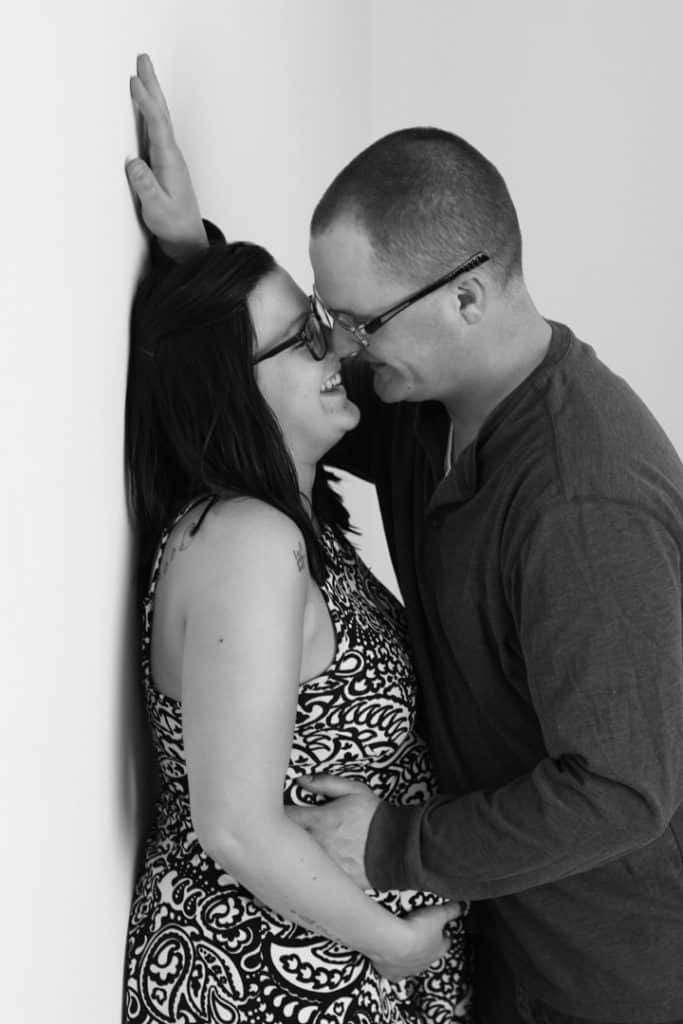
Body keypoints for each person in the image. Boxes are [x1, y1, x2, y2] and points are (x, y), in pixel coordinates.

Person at [137, 58, 683, 1024]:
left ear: (465, 300)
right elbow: (265, 402)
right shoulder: (423, 404)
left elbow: (624, 792)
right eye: (323, 318)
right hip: (496, 945)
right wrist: (195, 256)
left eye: (356, 321)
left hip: (608, 970)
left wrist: (394, 847)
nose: (341, 346)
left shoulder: (582, 499)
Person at [123, 56, 471, 1024]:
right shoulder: (241, 541)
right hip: (269, 983)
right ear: (234, 395)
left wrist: (196, 249)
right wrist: (395, 941)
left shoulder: (296, 515)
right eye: (305, 338)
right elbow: (234, 825)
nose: (339, 348)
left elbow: (227, 346)